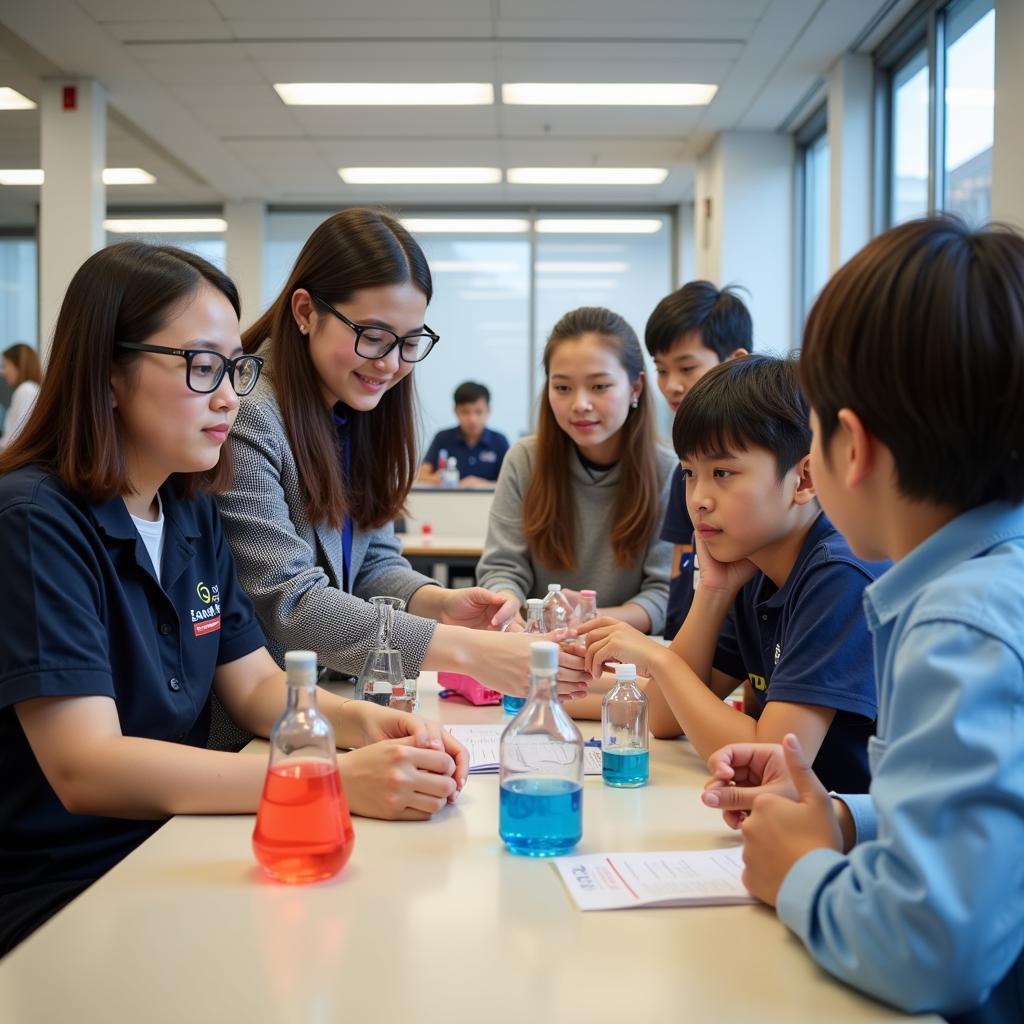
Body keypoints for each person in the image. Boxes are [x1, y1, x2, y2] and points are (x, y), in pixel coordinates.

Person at [0, 242, 469, 957]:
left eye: (235, 368)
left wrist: (365, 725)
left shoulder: (188, 507)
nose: (228, 395)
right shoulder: (35, 519)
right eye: (201, 367)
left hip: (180, 845)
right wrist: (331, 777)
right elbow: (86, 767)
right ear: (110, 375)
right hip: (67, 889)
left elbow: (255, 685)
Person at [700, 218, 1024, 1023]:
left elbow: (933, 951)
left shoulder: (959, 625)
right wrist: (847, 818)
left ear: (850, 448)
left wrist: (800, 872)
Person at [217, 208, 586, 700]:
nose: (391, 364)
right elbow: (292, 604)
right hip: (251, 718)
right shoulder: (250, 414)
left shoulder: (355, 409)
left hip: (325, 697)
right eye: (372, 337)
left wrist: (436, 602)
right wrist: (466, 651)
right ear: (305, 312)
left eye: (410, 342)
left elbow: (370, 565)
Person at [579, 355, 882, 794]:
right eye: (689, 473)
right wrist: (714, 591)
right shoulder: (754, 567)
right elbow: (663, 720)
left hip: (856, 843)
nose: (699, 499)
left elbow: (772, 760)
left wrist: (658, 659)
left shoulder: (839, 574)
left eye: (723, 473)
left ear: (803, 479)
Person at [477, 306, 676, 635]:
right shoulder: (525, 460)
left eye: (599, 387)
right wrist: (508, 610)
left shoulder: (669, 472)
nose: (580, 404)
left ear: (636, 388)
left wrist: (585, 620)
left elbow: (663, 594)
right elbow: (502, 569)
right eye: (563, 388)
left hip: (625, 658)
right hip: (538, 649)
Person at [645, 282, 751, 639]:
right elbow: (682, 566)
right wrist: (674, 642)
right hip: (696, 645)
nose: (672, 385)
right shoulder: (683, 469)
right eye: (661, 370)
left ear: (736, 360)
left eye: (686, 368)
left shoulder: (765, 464)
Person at [419, 380, 509, 487]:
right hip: (448, 501)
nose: (472, 419)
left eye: (478, 412)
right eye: (465, 412)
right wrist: (436, 480)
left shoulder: (499, 441)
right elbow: (421, 475)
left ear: (488, 411)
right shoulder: (442, 438)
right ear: (456, 411)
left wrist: (483, 484)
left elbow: (510, 482)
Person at [0, 342, 43, 451]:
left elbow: (14, 437)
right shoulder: (32, 389)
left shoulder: (25, 390)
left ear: (18, 365)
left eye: (5, 365)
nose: (4, 372)